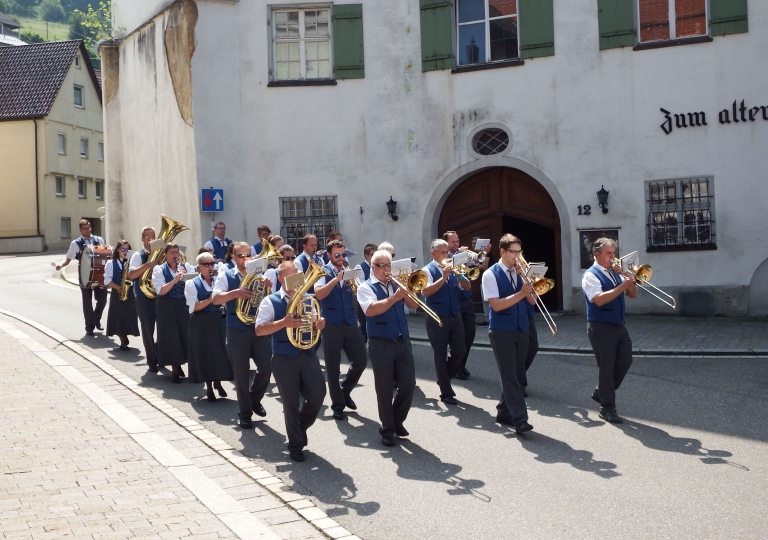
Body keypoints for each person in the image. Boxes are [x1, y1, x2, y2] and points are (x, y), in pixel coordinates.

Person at [256, 261, 326, 462]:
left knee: (318, 394)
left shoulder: (307, 299)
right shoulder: (271, 301)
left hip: (307, 353)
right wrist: (283, 323)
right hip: (284, 357)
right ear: (280, 279)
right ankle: (295, 444)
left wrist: (318, 324)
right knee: (291, 403)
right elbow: (260, 330)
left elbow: (313, 326)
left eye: (296, 277)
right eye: (289, 278)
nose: (294, 282)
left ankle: (299, 427)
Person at [356, 250, 418, 447]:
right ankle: (388, 429)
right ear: (373, 268)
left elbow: (414, 306)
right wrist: (394, 297)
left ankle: (396, 420)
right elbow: (371, 310)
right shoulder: (365, 287)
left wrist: (407, 290)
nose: (386, 270)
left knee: (408, 385)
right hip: (380, 342)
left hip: (402, 340)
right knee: (384, 389)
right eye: (381, 266)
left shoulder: (397, 283)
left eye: (389, 265)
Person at [212, 242, 273, 429]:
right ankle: (245, 413)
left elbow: (264, 301)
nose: (245, 259)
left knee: (267, 367)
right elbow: (215, 299)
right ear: (232, 257)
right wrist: (235, 293)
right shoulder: (226, 275)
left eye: (248, 255)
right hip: (237, 328)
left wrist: (268, 288)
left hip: (257, 327)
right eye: (241, 256)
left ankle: (254, 398)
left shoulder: (258, 276)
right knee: (241, 373)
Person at [481, 234, 535, 435]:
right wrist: (521, 293)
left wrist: (527, 282)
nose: (517, 256)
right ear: (502, 252)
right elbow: (495, 305)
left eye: (519, 252)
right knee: (510, 376)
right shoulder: (490, 275)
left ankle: (504, 412)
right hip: (501, 330)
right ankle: (520, 419)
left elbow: (532, 303)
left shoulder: (521, 272)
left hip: (522, 328)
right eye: (513, 252)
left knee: (517, 374)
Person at [582, 237, 638, 424]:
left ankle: (601, 391)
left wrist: (630, 280)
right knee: (606, 367)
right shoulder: (590, 275)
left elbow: (633, 295)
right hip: (600, 326)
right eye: (608, 253)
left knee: (625, 360)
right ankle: (607, 408)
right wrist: (621, 285)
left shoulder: (615, 273)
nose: (613, 257)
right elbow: (598, 300)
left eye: (613, 253)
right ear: (597, 254)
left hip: (618, 324)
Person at [314, 240, 368, 420]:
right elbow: (319, 294)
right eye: (337, 255)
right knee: (333, 367)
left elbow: (361, 293)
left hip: (350, 321)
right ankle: (337, 405)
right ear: (329, 255)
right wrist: (336, 279)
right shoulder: (322, 271)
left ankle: (345, 391)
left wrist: (353, 281)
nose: (341, 258)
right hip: (331, 323)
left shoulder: (350, 270)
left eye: (343, 254)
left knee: (361, 360)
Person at [421, 239, 469, 405]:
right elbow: (426, 291)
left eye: (447, 252)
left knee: (460, 350)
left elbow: (467, 287)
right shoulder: (427, 270)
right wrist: (444, 277)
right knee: (440, 354)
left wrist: (460, 274)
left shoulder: (453, 267)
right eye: (442, 252)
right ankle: (446, 392)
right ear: (433, 253)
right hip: (436, 316)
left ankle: (444, 377)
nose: (446, 255)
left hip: (454, 315)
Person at [185, 252, 234, 402]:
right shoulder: (191, 283)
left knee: (219, 352)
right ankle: (210, 388)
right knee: (205, 354)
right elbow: (193, 307)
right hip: (201, 322)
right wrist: (210, 300)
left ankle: (218, 383)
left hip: (218, 320)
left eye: (212, 264)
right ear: (199, 267)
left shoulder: (218, 280)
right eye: (206, 264)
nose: (210, 267)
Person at [443, 231, 491, 380]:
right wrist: (457, 260)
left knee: (470, 334)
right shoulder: (443, 257)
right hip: (453, 299)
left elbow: (480, 263)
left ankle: (461, 365)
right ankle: (454, 367)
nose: (456, 245)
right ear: (446, 243)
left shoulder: (463, 253)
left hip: (466, 298)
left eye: (457, 242)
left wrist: (483, 252)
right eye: (453, 242)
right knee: (457, 336)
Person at [152, 243, 195, 382]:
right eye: (172, 252)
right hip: (166, 305)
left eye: (176, 252)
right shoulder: (159, 269)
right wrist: (175, 279)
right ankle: (175, 369)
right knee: (171, 336)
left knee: (184, 334)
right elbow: (161, 291)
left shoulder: (186, 267)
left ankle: (182, 363)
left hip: (182, 304)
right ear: (165, 254)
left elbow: (193, 283)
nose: (175, 255)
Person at [55, 219, 107, 336]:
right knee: (87, 301)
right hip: (85, 275)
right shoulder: (75, 243)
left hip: (99, 274)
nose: (87, 230)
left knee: (102, 299)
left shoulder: (99, 240)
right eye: (85, 229)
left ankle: (96, 319)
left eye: (89, 228)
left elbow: (105, 254)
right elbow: (68, 258)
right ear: (80, 230)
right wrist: (61, 265)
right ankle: (89, 327)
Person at [128, 226, 159, 371]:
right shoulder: (137, 255)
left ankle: (160, 353)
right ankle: (152, 361)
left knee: (165, 328)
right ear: (142, 239)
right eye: (147, 237)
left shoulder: (160, 254)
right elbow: (132, 275)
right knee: (148, 330)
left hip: (159, 296)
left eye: (152, 237)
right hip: (143, 297)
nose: (150, 240)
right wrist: (147, 265)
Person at [104, 240, 140, 350]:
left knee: (130, 314)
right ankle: (122, 338)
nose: (125, 252)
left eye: (127, 250)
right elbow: (107, 280)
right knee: (118, 317)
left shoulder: (131, 263)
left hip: (129, 292)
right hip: (117, 293)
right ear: (118, 250)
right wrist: (116, 287)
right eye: (123, 249)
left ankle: (126, 333)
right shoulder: (111, 263)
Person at [356, 243, 377, 342]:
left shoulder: (377, 266)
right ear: (366, 255)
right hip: (366, 300)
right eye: (372, 255)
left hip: (377, 299)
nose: (374, 257)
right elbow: (360, 283)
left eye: (375, 254)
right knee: (365, 323)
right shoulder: (360, 267)